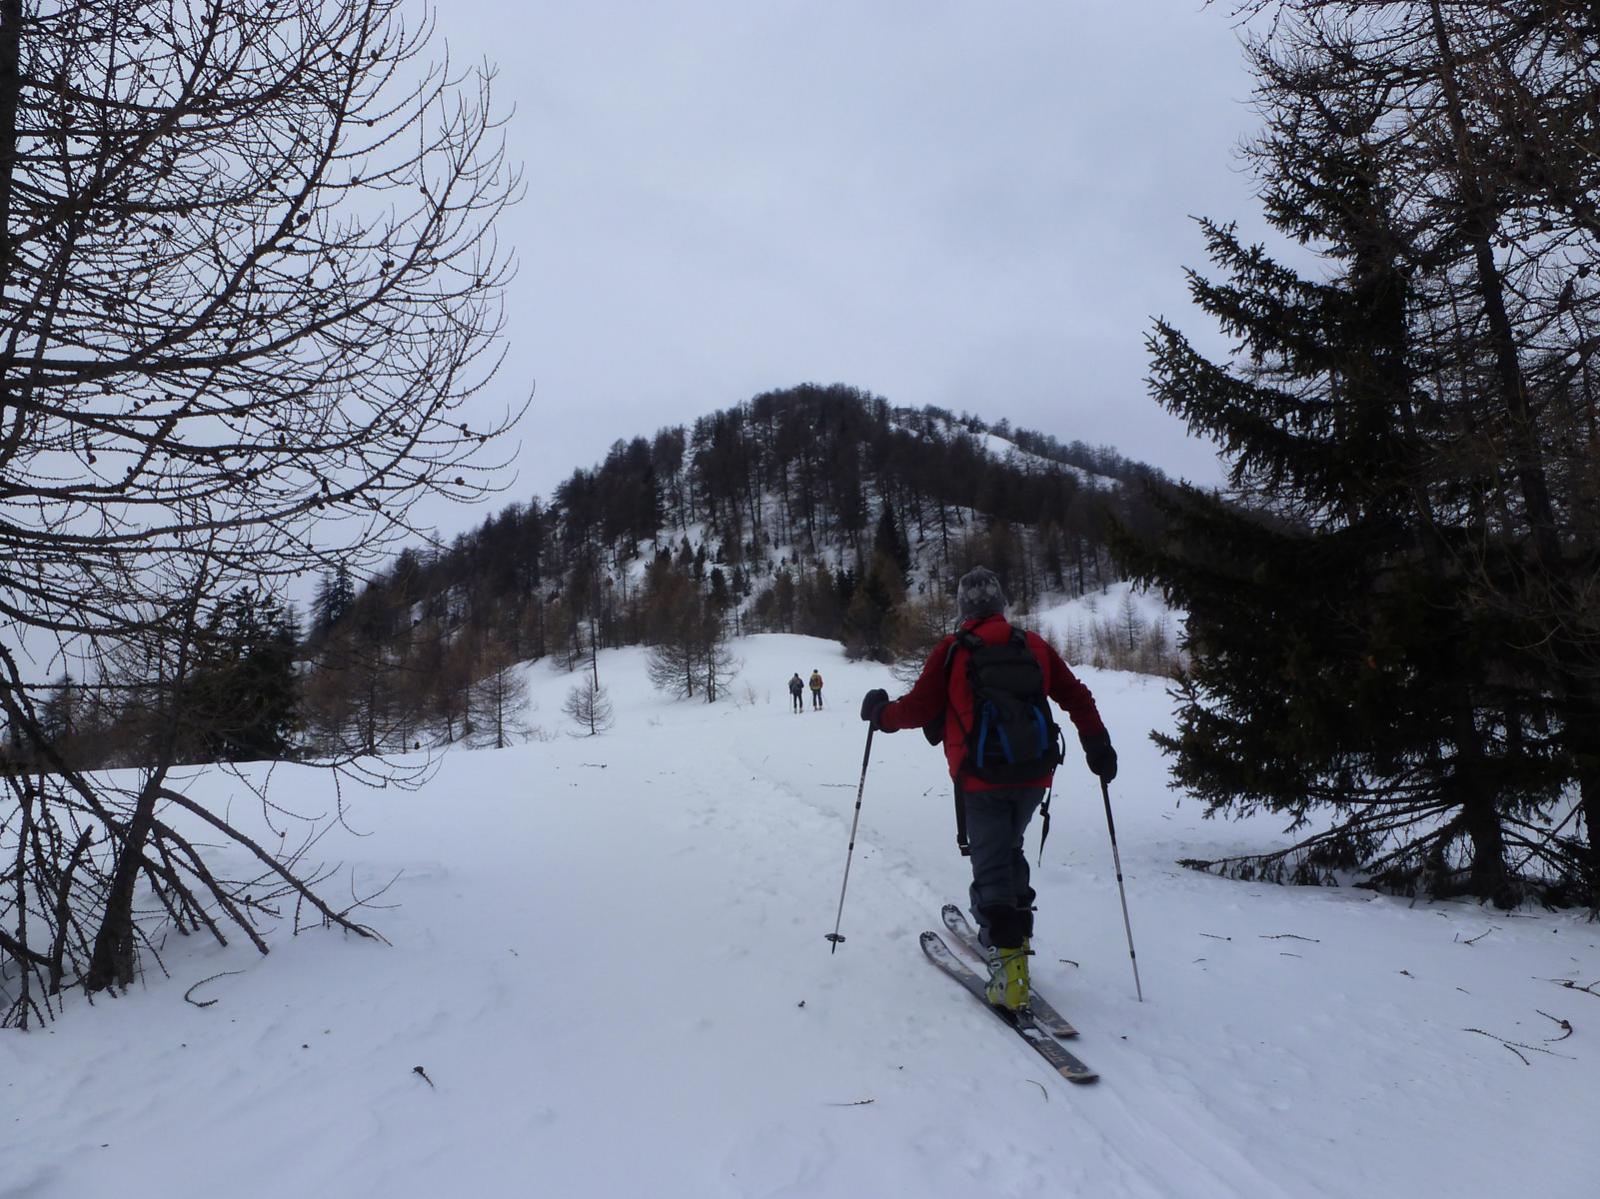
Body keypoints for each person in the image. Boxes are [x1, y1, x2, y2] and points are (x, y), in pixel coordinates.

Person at [858, 566, 1117, 1012]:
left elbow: (919, 708)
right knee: (1008, 848)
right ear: (1000, 604)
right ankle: (1016, 939)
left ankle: (1010, 975)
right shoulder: (1031, 644)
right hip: (1034, 774)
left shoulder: (953, 650)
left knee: (991, 867)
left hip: (980, 778)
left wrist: (880, 714)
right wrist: (1098, 745)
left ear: (963, 609)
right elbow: (1077, 695)